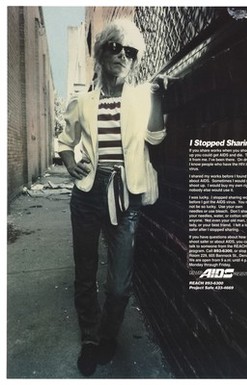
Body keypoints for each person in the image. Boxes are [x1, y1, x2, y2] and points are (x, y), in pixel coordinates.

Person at [58, 18, 167, 376]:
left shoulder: (141, 97)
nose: (122, 56)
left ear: (135, 61)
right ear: (101, 52)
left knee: (119, 286)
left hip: (126, 194)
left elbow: (155, 140)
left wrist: (159, 100)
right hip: (89, 193)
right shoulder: (83, 102)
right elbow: (65, 139)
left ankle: (108, 334)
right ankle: (90, 339)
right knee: (85, 271)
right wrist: (71, 162)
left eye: (130, 52)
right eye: (115, 47)